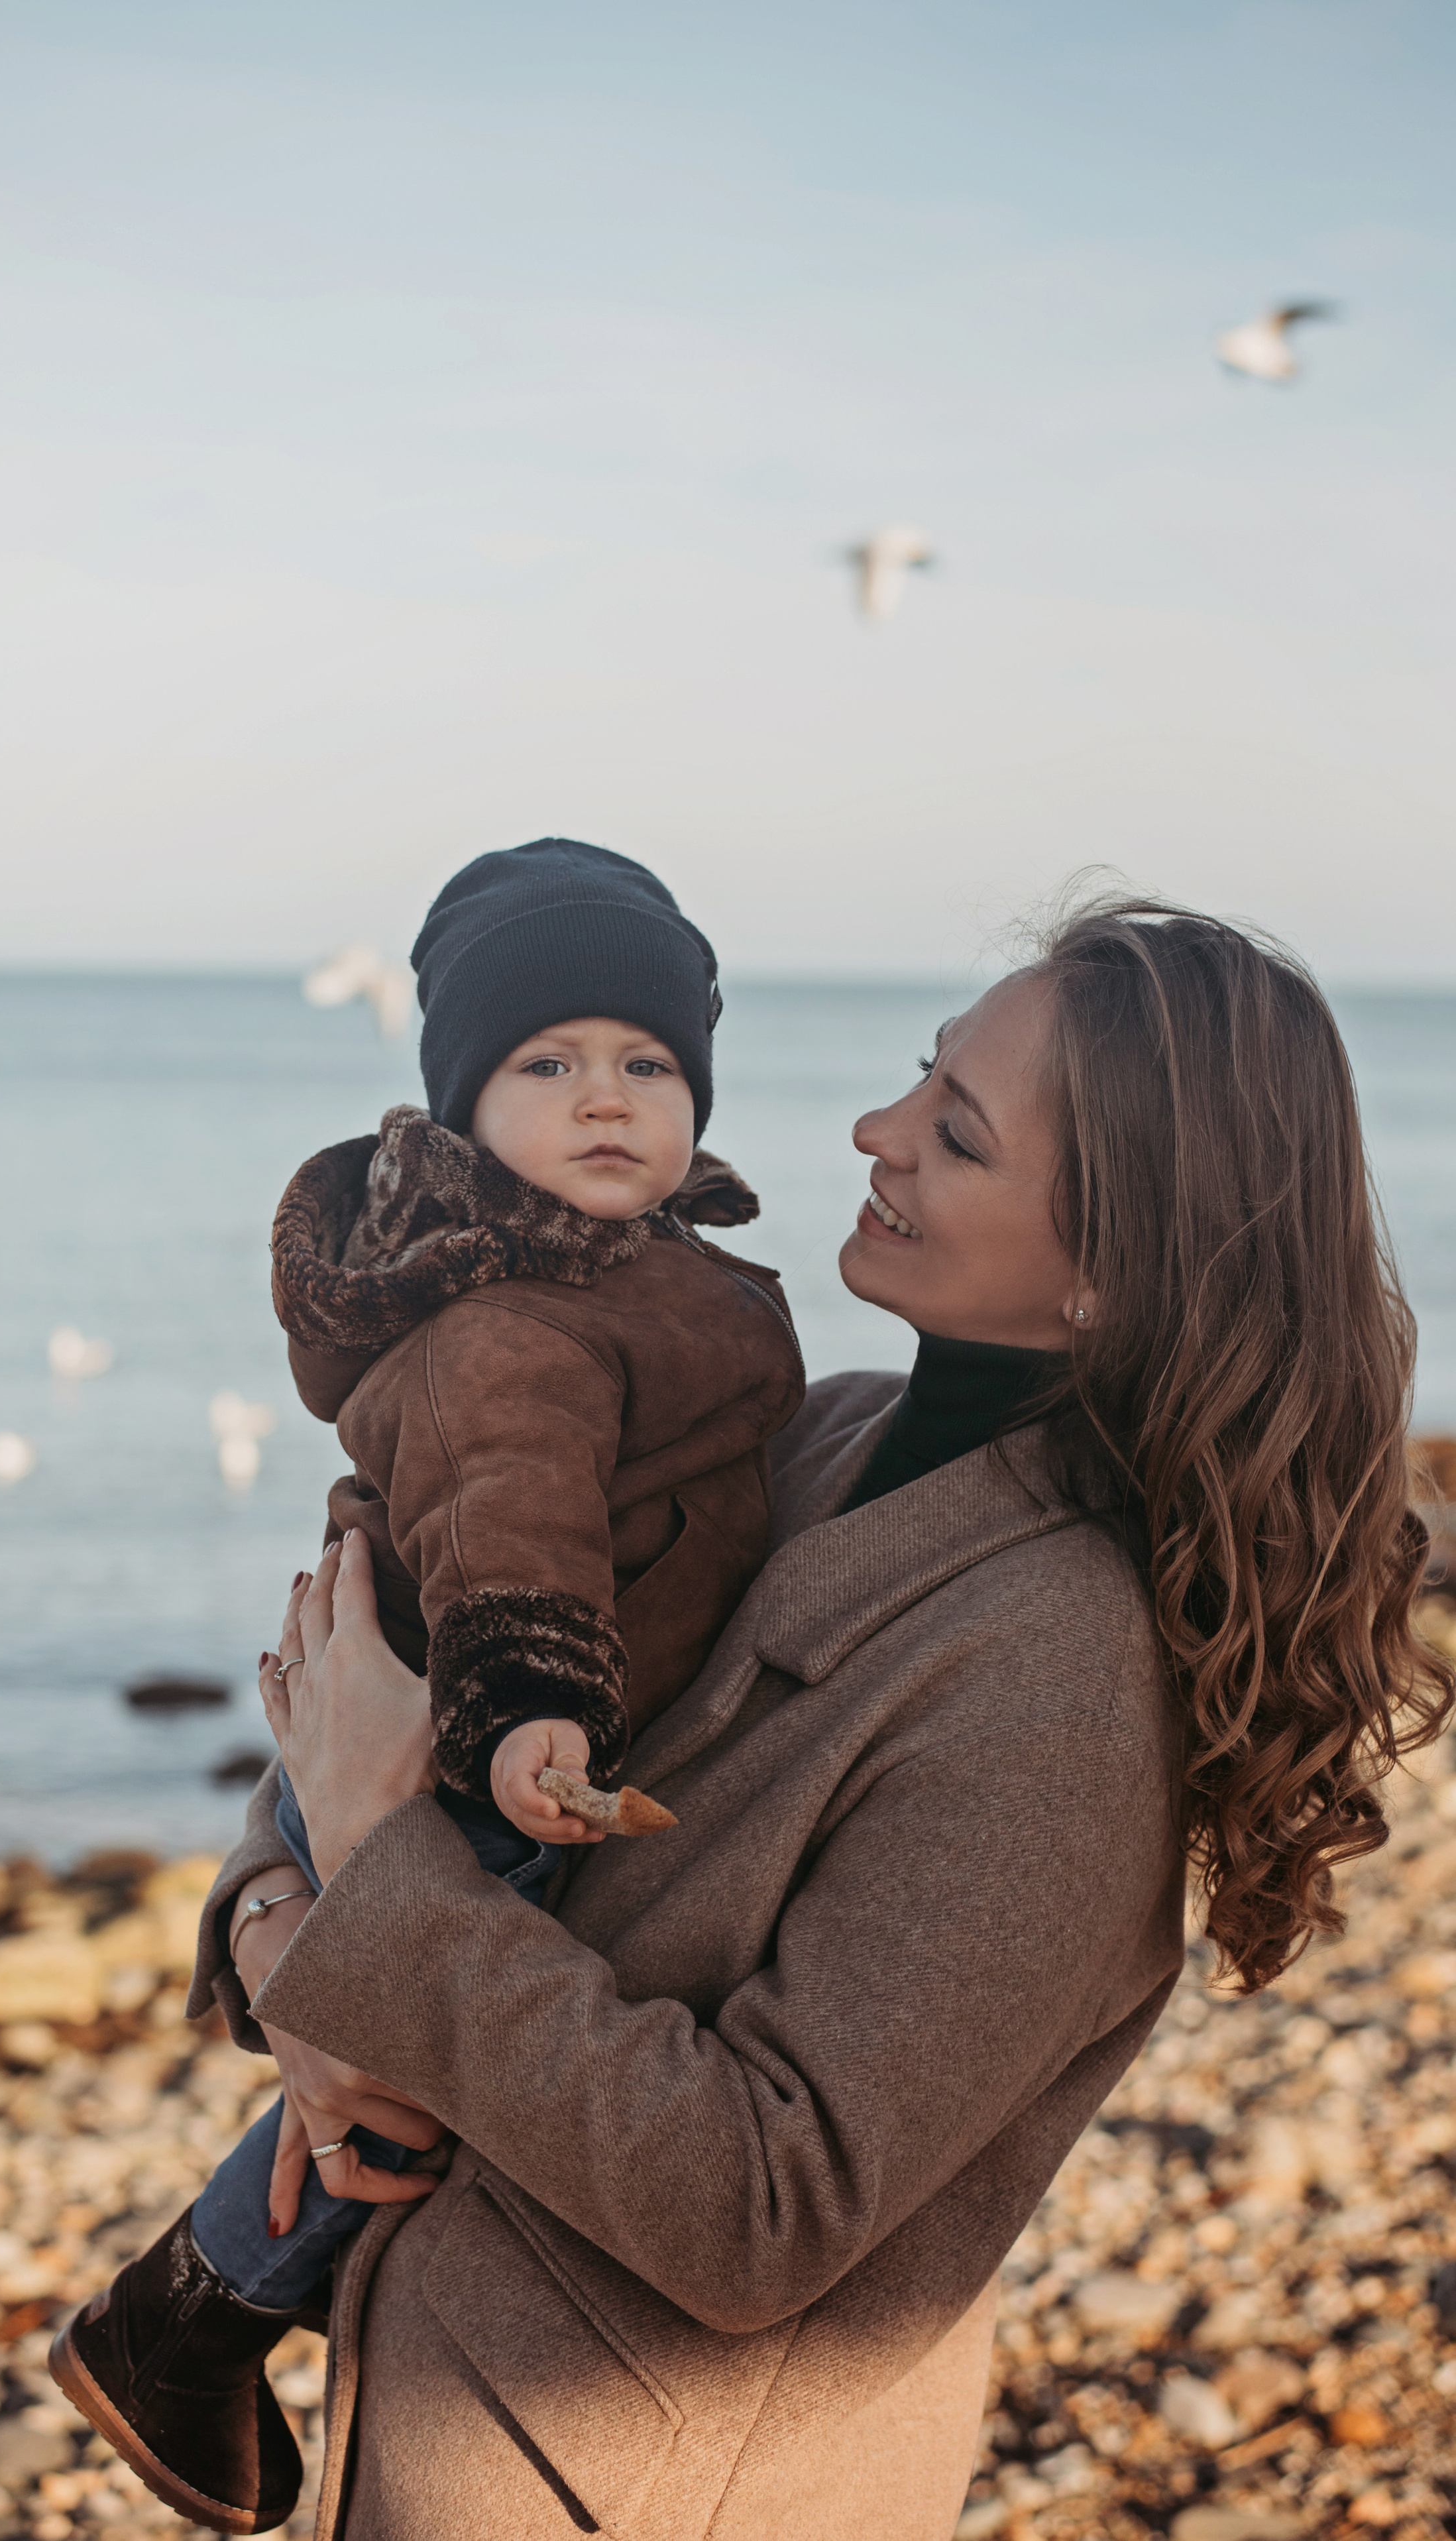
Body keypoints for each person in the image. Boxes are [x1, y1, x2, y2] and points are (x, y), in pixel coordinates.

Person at [114, 895, 1453, 2540]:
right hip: (433, 2421)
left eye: (952, 1135)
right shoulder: (811, 1435)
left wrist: (381, 1882)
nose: (871, 1131)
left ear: (1112, 1271)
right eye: (916, 1076)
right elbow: (404, 1661)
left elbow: (768, 2201)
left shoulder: (1062, 1684)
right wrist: (277, 1939)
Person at [49, 840, 804, 2531]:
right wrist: (532, 1707)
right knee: (403, 2070)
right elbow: (507, 1510)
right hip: (487, 1747)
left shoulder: (632, 1270)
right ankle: (197, 2305)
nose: (604, 1096)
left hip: (492, 1734)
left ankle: (203, 2301)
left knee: (408, 2047)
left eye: (648, 1063)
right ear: (464, 1111)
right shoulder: (514, 1318)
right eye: (545, 1064)